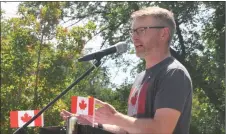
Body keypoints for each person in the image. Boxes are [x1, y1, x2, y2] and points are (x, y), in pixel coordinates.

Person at [60, 6, 193, 134]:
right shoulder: (140, 77)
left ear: (163, 33)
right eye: (133, 31)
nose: (134, 37)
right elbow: (129, 130)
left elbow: (161, 130)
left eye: (141, 30)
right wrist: (94, 124)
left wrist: (116, 118)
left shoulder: (173, 73)